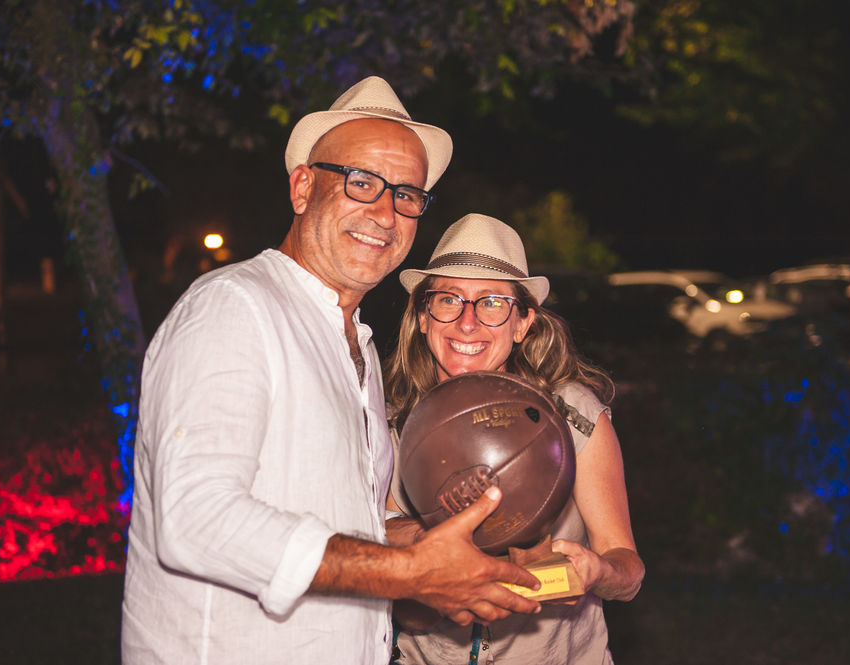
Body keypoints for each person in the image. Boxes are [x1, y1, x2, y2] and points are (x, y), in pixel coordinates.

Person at [121, 78, 542, 665]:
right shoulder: (235, 306)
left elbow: (352, 522)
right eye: (361, 182)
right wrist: (411, 571)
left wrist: (441, 551)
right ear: (302, 188)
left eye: (407, 195)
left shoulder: (358, 347)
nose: (385, 213)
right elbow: (194, 517)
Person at [384, 213, 646, 665]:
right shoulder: (390, 424)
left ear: (523, 323)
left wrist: (598, 571)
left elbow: (628, 572)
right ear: (424, 317)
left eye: (491, 303)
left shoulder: (571, 416)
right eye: (448, 299)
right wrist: (432, 548)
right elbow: (405, 603)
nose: (467, 323)